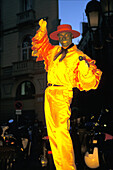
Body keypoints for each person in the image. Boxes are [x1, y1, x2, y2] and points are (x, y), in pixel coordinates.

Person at [31, 19, 102, 170]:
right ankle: (60, 167)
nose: (63, 38)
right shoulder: (54, 51)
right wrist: (42, 30)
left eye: (66, 35)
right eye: (61, 35)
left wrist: (84, 67)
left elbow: (90, 80)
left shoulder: (78, 55)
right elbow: (42, 47)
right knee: (53, 134)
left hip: (62, 93)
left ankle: (68, 167)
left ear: (71, 36)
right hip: (49, 93)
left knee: (61, 132)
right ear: (58, 37)